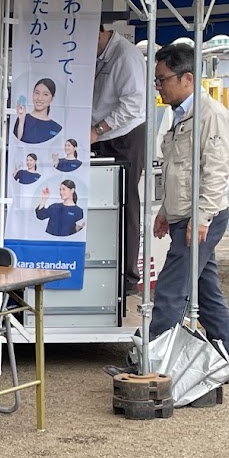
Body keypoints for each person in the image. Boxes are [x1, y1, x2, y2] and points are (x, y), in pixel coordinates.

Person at [125, 43, 229, 382]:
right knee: (207, 293)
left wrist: (202, 218)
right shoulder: (178, 113)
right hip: (183, 216)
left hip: (200, 218)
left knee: (170, 290)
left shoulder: (210, 115)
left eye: (162, 80)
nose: (158, 87)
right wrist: (165, 211)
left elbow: (217, 172)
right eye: (157, 80)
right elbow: (178, 170)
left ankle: (148, 365)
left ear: (187, 78)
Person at [90, 23, 148, 303]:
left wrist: (97, 130)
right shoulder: (101, 55)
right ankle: (103, 268)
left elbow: (133, 105)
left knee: (125, 203)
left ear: (99, 33)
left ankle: (127, 278)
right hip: (102, 134)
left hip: (125, 135)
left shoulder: (127, 56)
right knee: (101, 204)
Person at [13, 78, 63, 144]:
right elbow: (15, 145)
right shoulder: (22, 119)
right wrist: (21, 121)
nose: (39, 98)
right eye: (37, 93)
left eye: (45, 94)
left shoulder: (57, 128)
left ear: (52, 98)